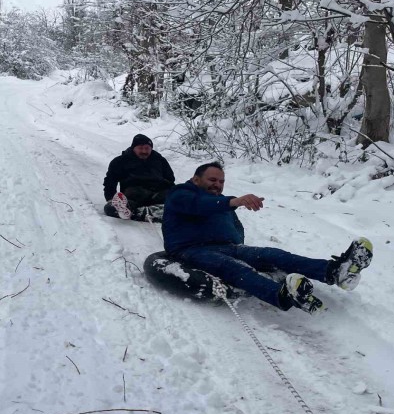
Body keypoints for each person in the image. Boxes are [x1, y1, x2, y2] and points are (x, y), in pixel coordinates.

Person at [161, 162, 373, 314]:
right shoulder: (180, 194)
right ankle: (281, 295)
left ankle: (335, 271)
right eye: (212, 180)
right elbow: (198, 206)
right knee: (232, 266)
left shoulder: (221, 201)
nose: (217, 184)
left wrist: (240, 245)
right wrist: (234, 201)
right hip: (190, 249)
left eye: (221, 181)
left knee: (272, 254)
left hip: (226, 246)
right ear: (196, 179)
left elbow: (235, 228)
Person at [103, 134, 175, 221]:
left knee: (178, 194)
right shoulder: (120, 161)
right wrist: (111, 198)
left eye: (147, 148)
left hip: (158, 195)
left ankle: (149, 212)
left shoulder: (159, 160)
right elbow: (110, 181)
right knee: (110, 208)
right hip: (135, 196)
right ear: (134, 148)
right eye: (140, 148)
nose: (144, 151)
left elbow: (170, 179)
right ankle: (143, 212)